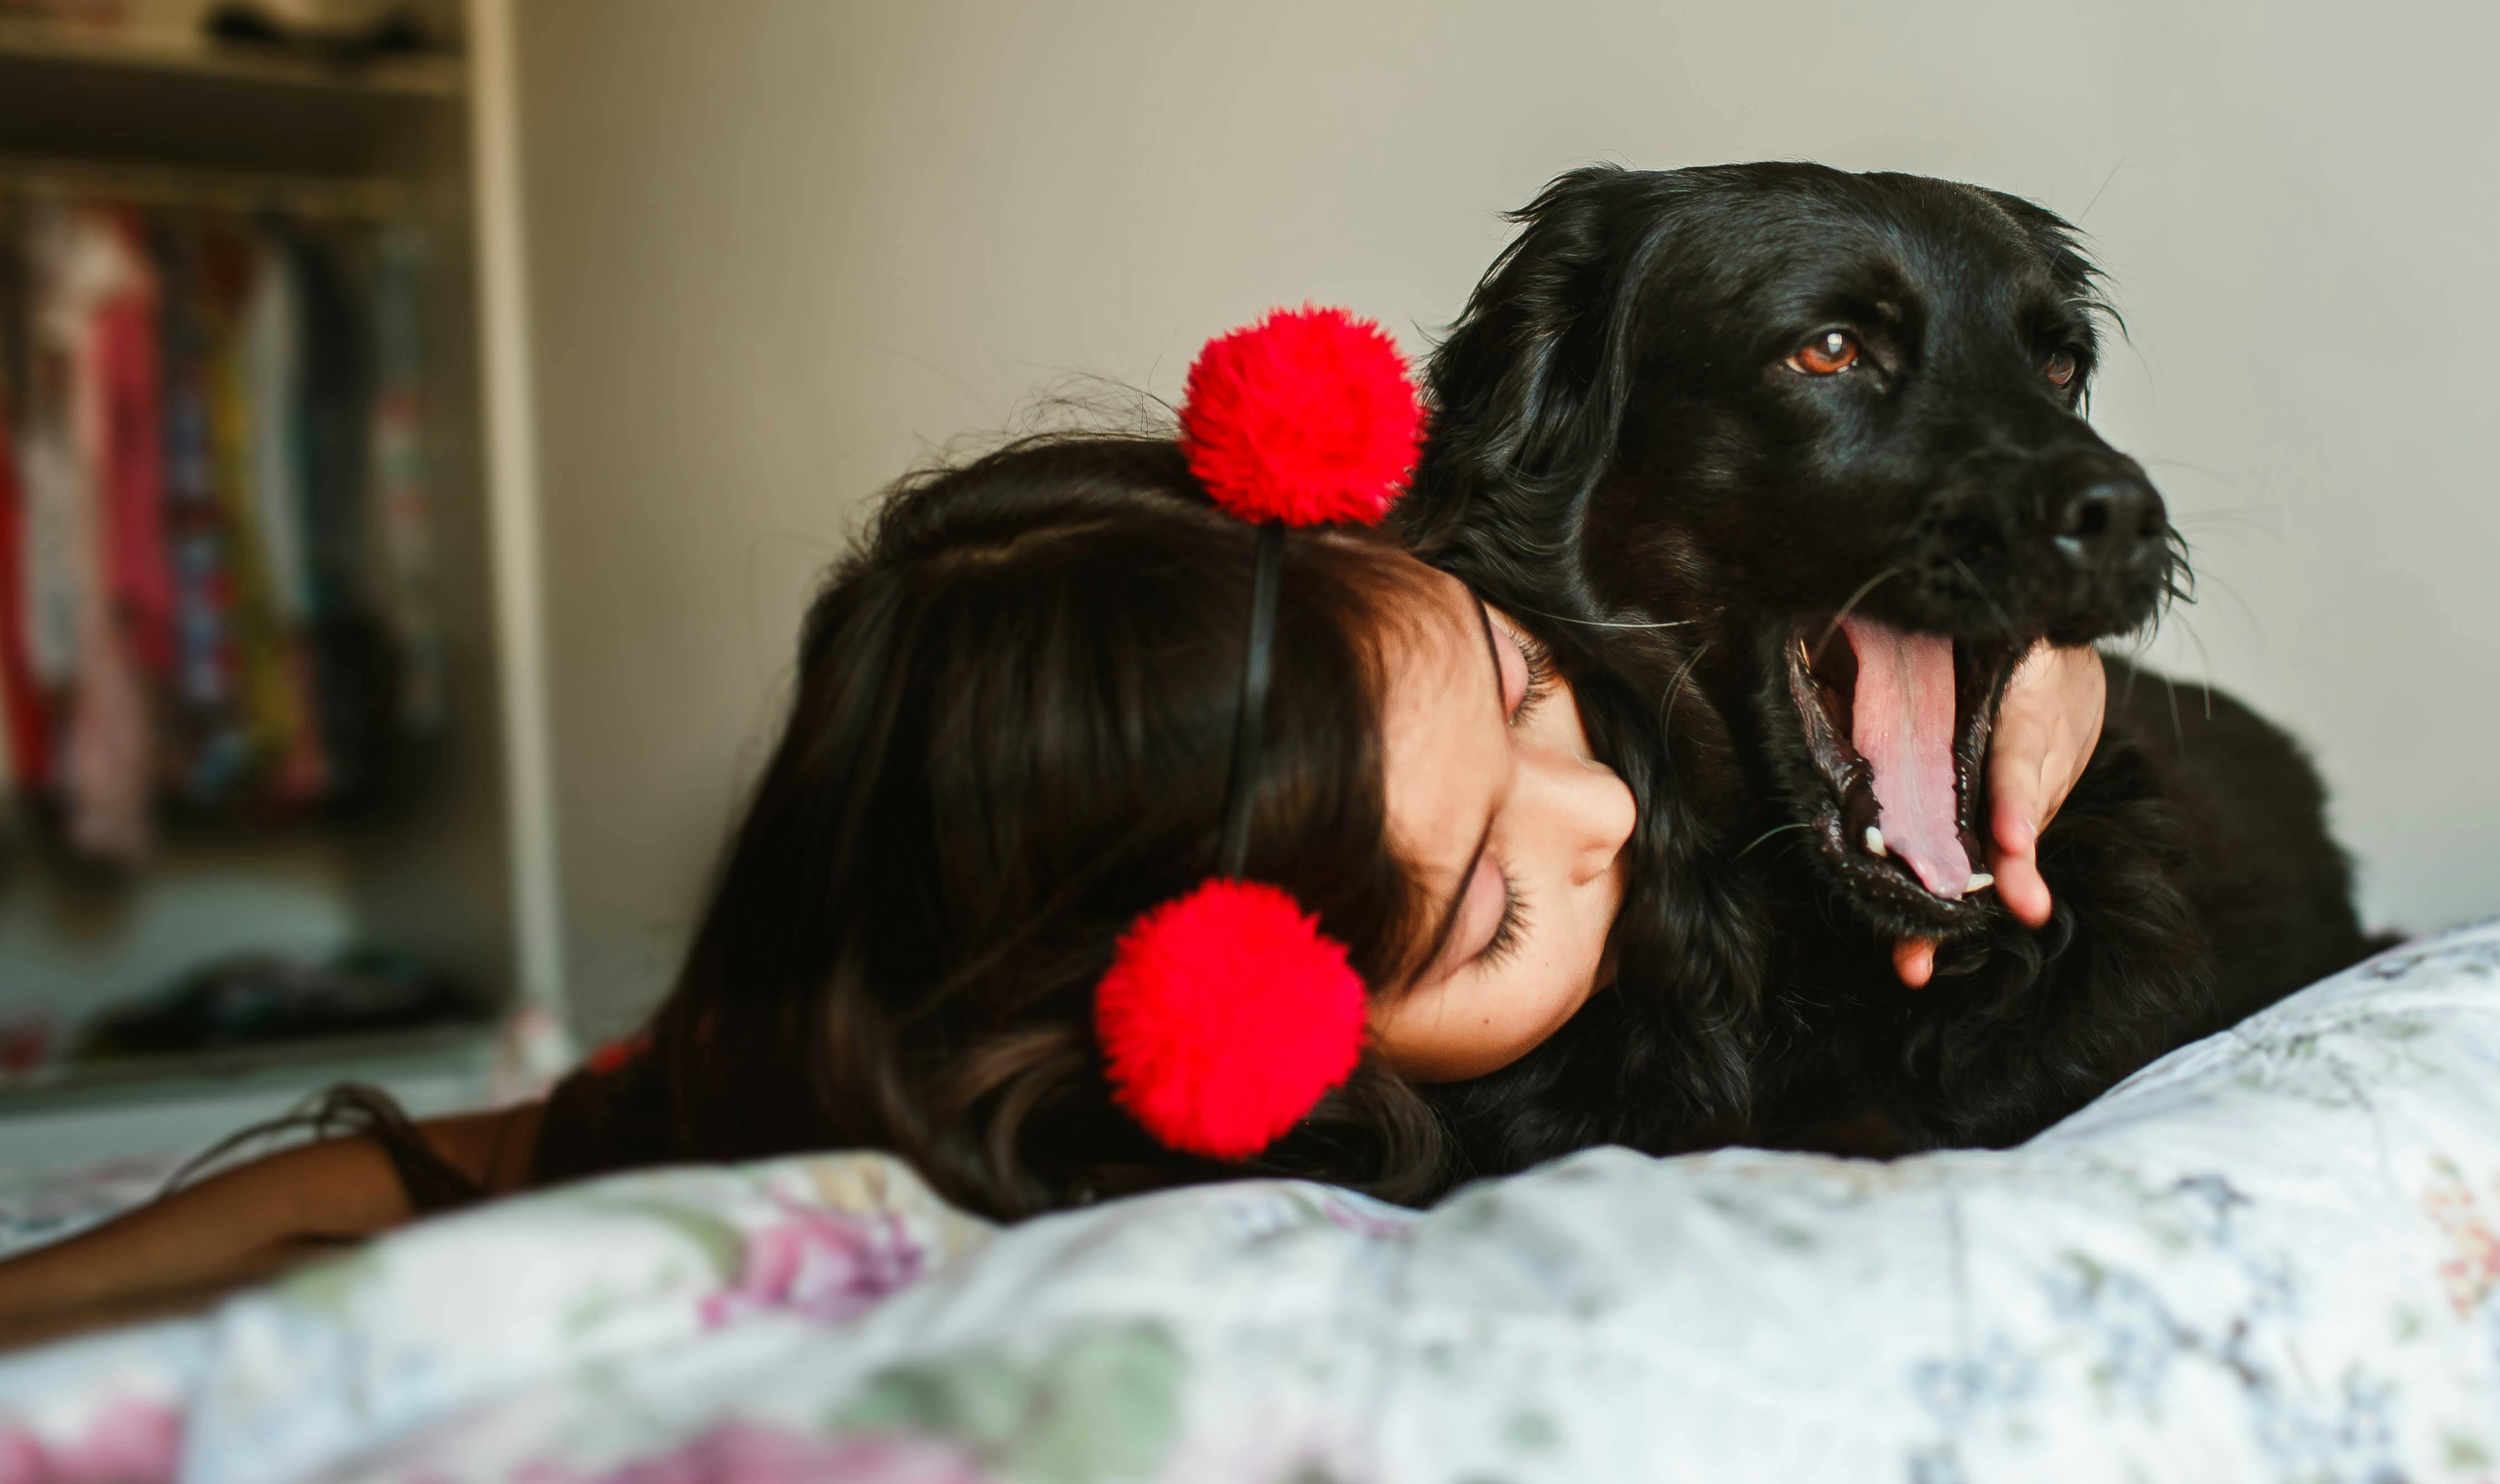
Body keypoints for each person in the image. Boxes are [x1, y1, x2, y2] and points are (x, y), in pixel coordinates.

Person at [0, 333, 2103, 1347]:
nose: (1609, 812)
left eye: (1534, 696)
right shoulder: (875, 1142)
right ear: (1236, 1039)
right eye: (1484, 910)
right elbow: (463, 1160)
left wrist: (2031, 684)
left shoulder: (1547, 719)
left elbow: (1860, 619)